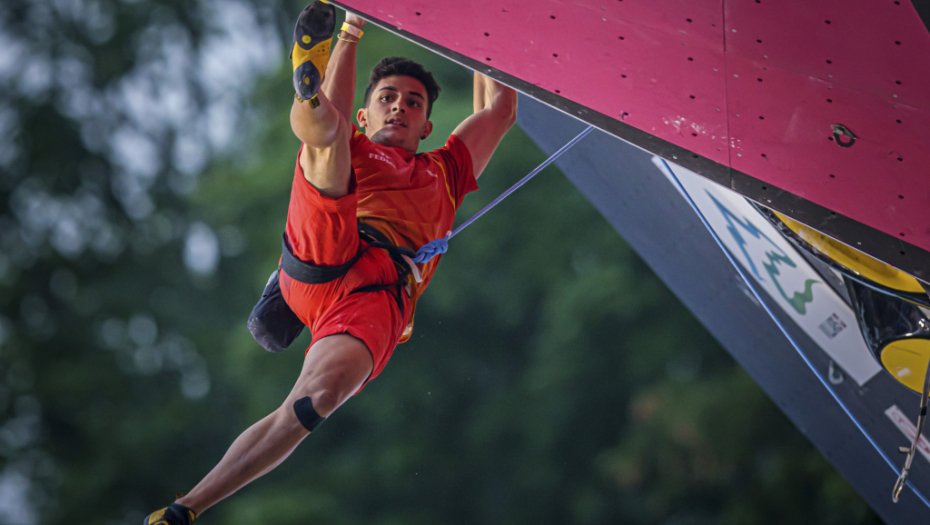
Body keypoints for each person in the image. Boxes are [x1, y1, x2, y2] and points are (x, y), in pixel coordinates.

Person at [144, 2, 516, 523]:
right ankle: (307, 91)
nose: (400, 108)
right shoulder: (359, 139)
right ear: (370, 113)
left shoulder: (446, 170)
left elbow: (499, 110)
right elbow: (343, 125)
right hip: (327, 247)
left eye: (413, 103)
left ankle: (183, 511)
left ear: (429, 124)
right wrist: (353, 28)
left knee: (315, 400)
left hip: (376, 294)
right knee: (328, 135)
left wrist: (489, 25)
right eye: (387, 98)